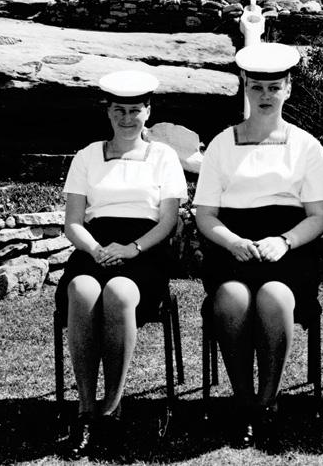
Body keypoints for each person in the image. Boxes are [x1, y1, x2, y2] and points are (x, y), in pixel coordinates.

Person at [194, 42, 323, 449]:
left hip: (288, 248)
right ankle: (243, 402)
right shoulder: (222, 144)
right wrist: (233, 241)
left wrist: (285, 241)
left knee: (274, 296)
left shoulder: (306, 145)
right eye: (256, 87)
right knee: (232, 299)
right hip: (232, 246)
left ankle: (268, 402)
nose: (266, 96)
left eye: (274, 87)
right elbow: (206, 215)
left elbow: (318, 216)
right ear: (245, 88)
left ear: (288, 88)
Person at [57, 70, 187, 458]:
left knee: (119, 291)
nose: (127, 119)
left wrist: (133, 248)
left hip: (145, 249)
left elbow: (168, 220)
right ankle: (86, 411)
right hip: (95, 244)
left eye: (135, 110)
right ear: (108, 112)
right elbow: (73, 222)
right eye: (119, 110)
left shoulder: (163, 156)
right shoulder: (86, 156)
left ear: (148, 111)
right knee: (82, 288)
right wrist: (96, 250)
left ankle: (112, 409)